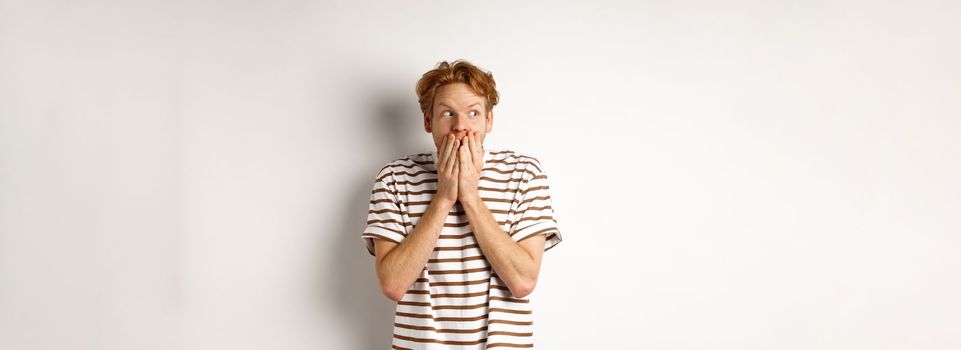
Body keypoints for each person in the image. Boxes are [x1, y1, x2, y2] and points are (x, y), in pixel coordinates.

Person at [361, 60, 563, 349]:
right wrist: (444, 197)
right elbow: (393, 285)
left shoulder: (524, 174)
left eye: (473, 113)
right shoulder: (394, 178)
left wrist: (469, 194)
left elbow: (522, 282)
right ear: (428, 121)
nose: (460, 127)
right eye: (447, 113)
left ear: (488, 121)